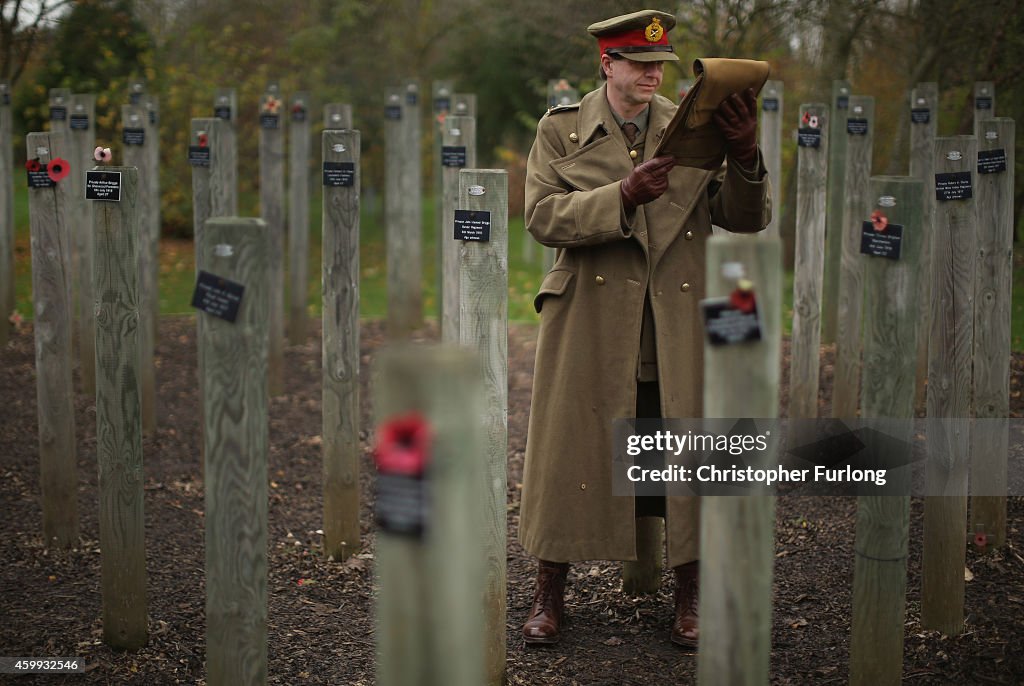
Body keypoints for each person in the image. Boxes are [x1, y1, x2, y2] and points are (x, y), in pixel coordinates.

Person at [519, 9, 771, 648]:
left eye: (660, 65)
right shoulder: (561, 131)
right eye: (639, 64)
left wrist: (744, 157)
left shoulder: (693, 129)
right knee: (569, 453)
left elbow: (743, 218)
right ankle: (550, 591)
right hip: (589, 321)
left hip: (673, 317)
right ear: (607, 64)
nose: (653, 75)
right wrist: (622, 196)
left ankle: (690, 595)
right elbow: (542, 216)